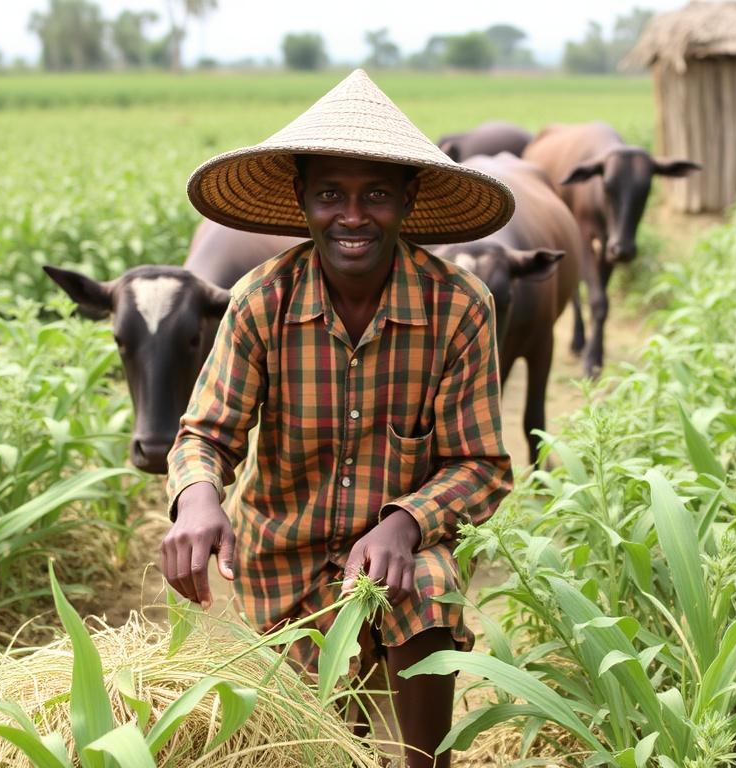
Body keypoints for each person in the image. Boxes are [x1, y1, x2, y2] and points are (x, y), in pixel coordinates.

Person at [160, 69, 514, 768]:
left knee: (431, 586)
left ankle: (426, 761)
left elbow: (481, 465)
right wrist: (197, 498)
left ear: (408, 200)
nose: (353, 216)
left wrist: (404, 521)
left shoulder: (459, 307)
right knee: (314, 741)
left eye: (376, 194)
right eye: (330, 194)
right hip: (283, 553)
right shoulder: (263, 300)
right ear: (302, 200)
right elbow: (207, 431)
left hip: (401, 552)